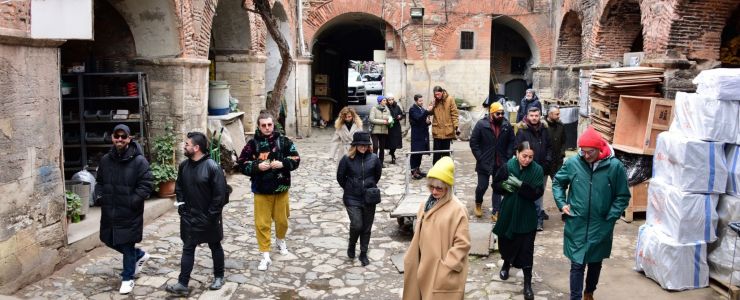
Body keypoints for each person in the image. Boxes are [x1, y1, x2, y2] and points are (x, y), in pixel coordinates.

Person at [552, 126, 630, 300]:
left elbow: (623, 196)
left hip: (600, 224)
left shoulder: (614, 167)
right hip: (577, 223)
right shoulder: (573, 163)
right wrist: (562, 203)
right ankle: (575, 297)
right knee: (577, 264)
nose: (586, 155)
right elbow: (558, 182)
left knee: (595, 263)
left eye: (590, 152)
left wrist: (611, 217)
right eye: (583, 151)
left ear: (599, 149)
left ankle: (589, 292)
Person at [237, 110, 301, 271]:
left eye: (269, 124)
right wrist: (256, 166)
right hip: (261, 190)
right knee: (262, 223)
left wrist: (284, 164)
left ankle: (280, 239)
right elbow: (241, 163)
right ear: (259, 126)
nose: (267, 128)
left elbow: (296, 159)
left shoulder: (284, 141)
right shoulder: (252, 144)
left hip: (281, 189)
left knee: (282, 220)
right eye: (263, 125)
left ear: (274, 124)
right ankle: (265, 254)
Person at [166, 132, 228, 296]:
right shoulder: (184, 166)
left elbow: (220, 195)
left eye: (187, 144)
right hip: (189, 217)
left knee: (214, 245)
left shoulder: (212, 167)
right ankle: (182, 283)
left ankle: (219, 276)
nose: (184, 146)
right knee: (188, 247)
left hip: (209, 217)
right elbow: (179, 187)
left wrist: (211, 216)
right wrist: (181, 206)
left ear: (196, 147)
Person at [95, 124, 153, 295]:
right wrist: (100, 197)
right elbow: (99, 181)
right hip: (110, 210)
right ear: (112, 137)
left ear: (129, 139)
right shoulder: (106, 160)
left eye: (123, 136)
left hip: (129, 212)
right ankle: (139, 254)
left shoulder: (139, 161)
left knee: (127, 245)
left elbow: (147, 184)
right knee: (109, 240)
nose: (119, 139)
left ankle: (128, 279)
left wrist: (132, 201)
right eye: (116, 136)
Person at [403, 157, 471, 299]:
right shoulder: (424, 205)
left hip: (440, 271)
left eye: (439, 188)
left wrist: (446, 267)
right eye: (431, 187)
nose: (434, 191)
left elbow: (462, 244)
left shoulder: (458, 210)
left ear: (448, 186)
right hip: (423, 266)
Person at [491, 141, 545, 300]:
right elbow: (495, 184)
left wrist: (522, 186)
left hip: (527, 214)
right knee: (507, 241)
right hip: (508, 211)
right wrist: (504, 186)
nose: (527, 160)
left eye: (530, 157)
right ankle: (506, 264)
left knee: (527, 249)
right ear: (517, 154)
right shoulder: (508, 166)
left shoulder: (537, 170)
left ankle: (527, 284)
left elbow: (537, 193)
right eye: (524, 156)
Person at [336, 131, 382, 266]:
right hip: (352, 197)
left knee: (367, 227)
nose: (363, 147)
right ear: (355, 145)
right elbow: (340, 177)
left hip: (369, 197)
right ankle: (351, 244)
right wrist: (350, 188)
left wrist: (369, 186)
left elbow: (377, 175)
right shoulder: (346, 159)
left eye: (366, 145)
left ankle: (363, 253)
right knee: (357, 224)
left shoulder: (374, 158)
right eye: (360, 145)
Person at [469, 102, 515, 220]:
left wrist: (508, 156)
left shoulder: (506, 125)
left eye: (502, 113)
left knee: (498, 187)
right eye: (498, 113)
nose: (501, 115)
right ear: (492, 113)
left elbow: (511, 141)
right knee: (482, 186)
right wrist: (480, 157)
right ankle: (478, 203)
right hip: (485, 162)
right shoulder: (481, 124)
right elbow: (474, 142)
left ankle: (496, 211)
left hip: (501, 162)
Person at [515, 106, 551, 231]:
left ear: (540, 116)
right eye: (532, 115)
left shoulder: (545, 129)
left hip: (542, 168)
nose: (534, 118)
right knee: (525, 194)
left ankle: (538, 221)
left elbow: (549, 147)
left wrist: (547, 161)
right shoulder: (522, 131)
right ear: (527, 116)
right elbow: (518, 149)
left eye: (536, 115)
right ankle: (524, 220)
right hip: (527, 168)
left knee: (538, 196)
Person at [427, 85, 459, 164]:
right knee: (436, 153)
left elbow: (454, 114)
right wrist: (432, 106)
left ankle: (446, 170)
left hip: (447, 131)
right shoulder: (434, 101)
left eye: (438, 94)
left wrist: (456, 127)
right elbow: (429, 113)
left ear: (442, 92)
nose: (437, 96)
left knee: (446, 153)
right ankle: (436, 169)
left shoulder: (450, 99)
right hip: (437, 131)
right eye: (435, 94)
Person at [408, 94, 431, 180]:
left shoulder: (422, 109)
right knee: (415, 153)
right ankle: (413, 171)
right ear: (416, 101)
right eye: (420, 101)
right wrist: (426, 112)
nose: (421, 102)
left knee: (420, 153)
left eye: (422, 100)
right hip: (416, 134)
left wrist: (428, 122)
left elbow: (424, 120)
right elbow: (418, 119)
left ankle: (418, 169)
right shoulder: (412, 109)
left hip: (423, 134)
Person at [545, 105, 566, 180]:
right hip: (545, 160)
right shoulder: (542, 126)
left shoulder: (561, 126)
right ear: (550, 114)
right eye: (557, 114)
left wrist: (562, 154)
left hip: (557, 161)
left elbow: (563, 141)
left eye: (559, 114)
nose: (559, 116)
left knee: (558, 184)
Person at [369, 95, 392, 164]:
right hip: (375, 131)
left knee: (382, 148)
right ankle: (374, 162)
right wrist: (383, 122)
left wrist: (390, 121)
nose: (385, 102)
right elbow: (371, 119)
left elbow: (390, 118)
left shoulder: (387, 109)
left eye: (385, 100)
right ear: (380, 101)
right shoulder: (374, 108)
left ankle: (380, 163)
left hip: (384, 131)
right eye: (384, 100)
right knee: (375, 146)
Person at [385, 93, 405, 164]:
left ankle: (392, 152)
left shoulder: (397, 106)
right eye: (389, 100)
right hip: (389, 127)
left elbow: (401, 114)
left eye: (392, 99)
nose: (391, 101)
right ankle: (392, 154)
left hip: (396, 126)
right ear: (387, 100)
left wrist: (400, 116)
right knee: (390, 141)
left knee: (396, 141)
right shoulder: (385, 107)